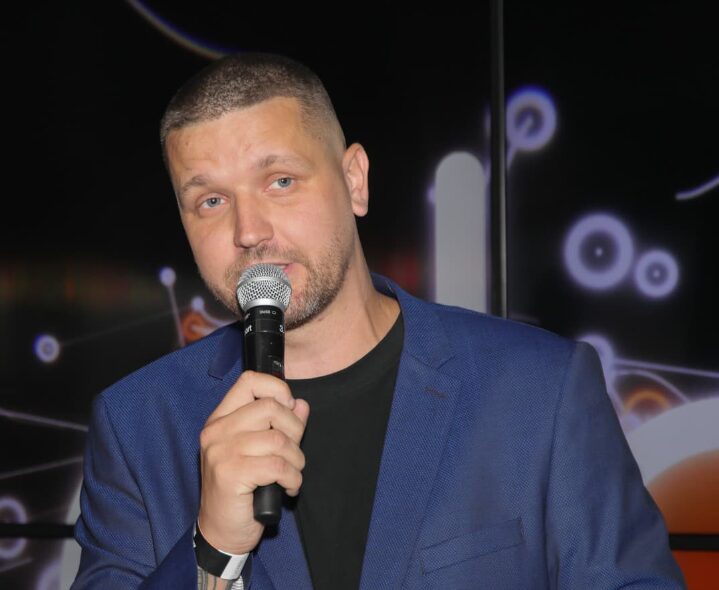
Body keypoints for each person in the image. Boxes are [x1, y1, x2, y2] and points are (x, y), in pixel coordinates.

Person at [71, 53, 685, 590]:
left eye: (280, 181)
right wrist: (213, 551)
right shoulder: (136, 425)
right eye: (210, 200)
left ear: (354, 181)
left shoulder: (540, 389)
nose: (248, 231)